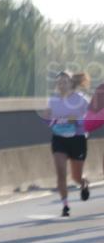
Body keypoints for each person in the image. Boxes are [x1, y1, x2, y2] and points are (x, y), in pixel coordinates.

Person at [39, 71, 91, 216]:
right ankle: (65, 205)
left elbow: (91, 118)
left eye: (64, 82)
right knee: (61, 173)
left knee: (76, 177)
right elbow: (48, 119)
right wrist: (47, 118)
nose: (61, 85)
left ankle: (83, 183)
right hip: (59, 138)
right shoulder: (53, 100)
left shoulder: (81, 99)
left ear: (71, 83)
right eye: (59, 82)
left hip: (78, 138)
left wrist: (73, 120)